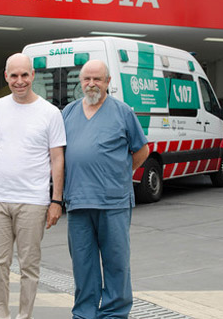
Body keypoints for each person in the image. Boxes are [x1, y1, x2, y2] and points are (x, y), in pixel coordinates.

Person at [0, 53, 66, 319]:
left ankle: (24, 316)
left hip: (34, 201)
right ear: (6, 76)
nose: (19, 81)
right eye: (13, 75)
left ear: (33, 76)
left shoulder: (50, 113)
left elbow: (57, 158)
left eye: (24, 75)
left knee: (29, 266)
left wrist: (56, 200)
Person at [62, 59, 149, 319]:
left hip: (114, 202)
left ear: (108, 82)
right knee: (83, 264)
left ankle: (114, 313)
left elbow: (142, 150)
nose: (91, 84)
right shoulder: (67, 113)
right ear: (80, 81)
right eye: (87, 79)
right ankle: (85, 313)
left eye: (97, 79)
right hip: (78, 202)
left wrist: (120, 173)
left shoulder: (122, 112)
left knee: (116, 263)